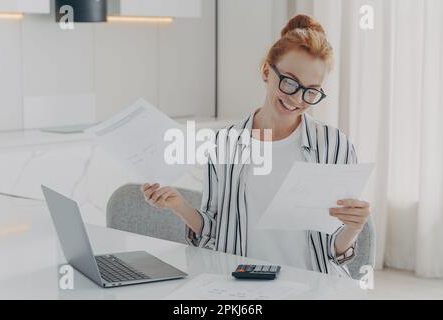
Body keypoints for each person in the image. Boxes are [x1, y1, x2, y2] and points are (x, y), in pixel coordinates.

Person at [141, 14, 371, 277]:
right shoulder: (225, 142)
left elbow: (333, 252)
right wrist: (178, 205)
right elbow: (213, 234)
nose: (297, 98)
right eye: (289, 82)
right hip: (242, 284)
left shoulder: (335, 146)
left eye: (311, 91)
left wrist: (354, 228)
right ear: (266, 71)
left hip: (313, 286)